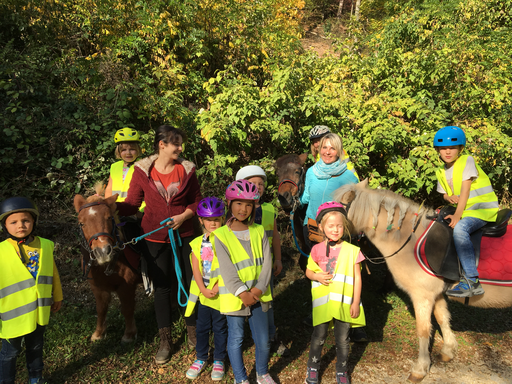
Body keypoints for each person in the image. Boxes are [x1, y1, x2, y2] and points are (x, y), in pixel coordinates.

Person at [116, 125, 202, 364]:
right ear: (161, 144)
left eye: (181, 143)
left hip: (184, 234)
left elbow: (197, 201)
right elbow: (133, 204)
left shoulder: (187, 170)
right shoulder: (142, 171)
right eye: (176, 143)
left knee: (188, 281)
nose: (181, 148)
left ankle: (192, 329)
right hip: (153, 237)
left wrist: (183, 217)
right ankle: (165, 339)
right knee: (162, 287)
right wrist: (110, 205)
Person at [210, 180, 276, 384]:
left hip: (259, 293)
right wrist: (243, 293)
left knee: (264, 341)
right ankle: (240, 378)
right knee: (236, 339)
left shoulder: (259, 231)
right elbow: (227, 270)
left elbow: (267, 262)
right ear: (229, 204)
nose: (243, 209)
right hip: (235, 297)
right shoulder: (220, 236)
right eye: (238, 203)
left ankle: (262, 373)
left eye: (249, 204)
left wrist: (257, 289)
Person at [0, 197, 63, 384]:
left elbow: (53, 274)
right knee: (10, 353)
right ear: (5, 225)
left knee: (35, 348)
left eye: (26, 220)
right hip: (12, 315)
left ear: (34, 222)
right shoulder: (1, 250)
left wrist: (57, 296)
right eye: (14, 222)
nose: (21, 225)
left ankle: (36, 378)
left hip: (38, 311)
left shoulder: (45, 245)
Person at [433, 126, 499, 297]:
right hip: (464, 209)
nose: (447, 152)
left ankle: (471, 281)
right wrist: (449, 198)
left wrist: (457, 215)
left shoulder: (467, 160)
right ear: (438, 150)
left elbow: (466, 189)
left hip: (481, 210)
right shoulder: (440, 171)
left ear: (460, 149)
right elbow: (445, 194)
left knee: (460, 229)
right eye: (443, 148)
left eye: (452, 148)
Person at [304, 202, 365, 384]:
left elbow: (357, 278)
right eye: (331, 226)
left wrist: (355, 302)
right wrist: (316, 276)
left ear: (344, 226)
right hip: (323, 303)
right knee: (319, 337)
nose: (336, 230)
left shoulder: (353, 251)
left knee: (343, 340)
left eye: (339, 225)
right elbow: (308, 272)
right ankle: (313, 368)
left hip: (344, 303)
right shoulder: (316, 250)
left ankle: (342, 371)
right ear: (322, 227)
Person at [235, 165, 289, 357]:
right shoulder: (237, 212)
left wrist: (279, 259)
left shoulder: (268, 209)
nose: (258, 187)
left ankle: (270, 336)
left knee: (268, 303)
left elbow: (275, 236)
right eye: (252, 183)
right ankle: (238, 338)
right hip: (243, 270)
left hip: (265, 268)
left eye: (261, 183)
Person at [184, 197, 228, 381]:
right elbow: (195, 269)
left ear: (223, 219)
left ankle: (219, 359)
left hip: (221, 295)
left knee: (220, 327)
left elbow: (229, 266)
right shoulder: (196, 244)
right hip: (203, 296)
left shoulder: (228, 240)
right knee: (201, 328)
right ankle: (201, 357)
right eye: (209, 220)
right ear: (201, 220)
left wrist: (217, 287)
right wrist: (202, 289)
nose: (213, 223)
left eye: (217, 219)